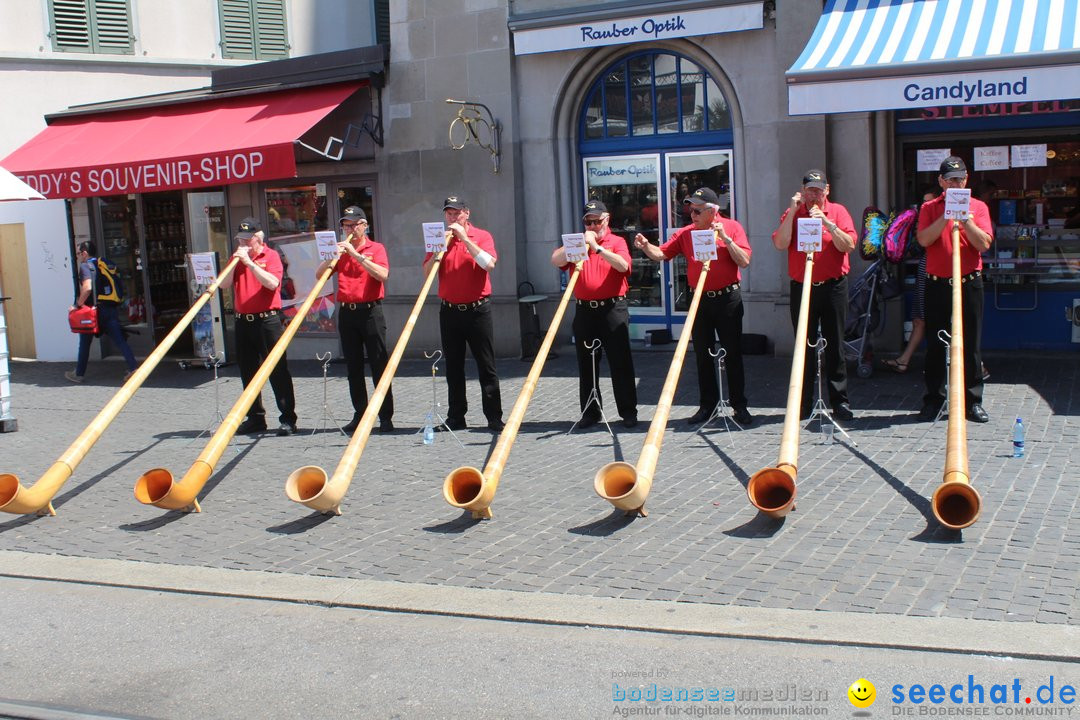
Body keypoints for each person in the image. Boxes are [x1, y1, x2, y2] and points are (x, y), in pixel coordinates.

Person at [636, 187, 754, 425]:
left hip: (727, 298)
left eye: (698, 211)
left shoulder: (732, 227)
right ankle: (707, 406)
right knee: (702, 354)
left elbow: (744, 260)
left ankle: (739, 406)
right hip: (699, 299)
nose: (693, 215)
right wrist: (646, 246)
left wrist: (726, 239)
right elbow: (662, 254)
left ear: (713, 211)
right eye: (691, 210)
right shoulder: (686, 233)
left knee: (732, 352)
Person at [771, 169, 857, 421]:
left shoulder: (839, 211)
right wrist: (792, 211)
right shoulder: (794, 212)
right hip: (802, 286)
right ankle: (803, 402)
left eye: (818, 190)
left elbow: (849, 245)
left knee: (835, 344)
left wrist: (827, 223)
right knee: (803, 345)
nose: (814, 195)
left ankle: (839, 401)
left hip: (833, 287)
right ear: (803, 190)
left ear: (826, 190)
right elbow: (780, 243)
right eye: (810, 189)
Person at [916, 156, 993, 423]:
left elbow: (984, 244)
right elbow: (924, 239)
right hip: (937, 283)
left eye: (959, 179)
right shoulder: (929, 207)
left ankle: (972, 402)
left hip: (969, 282)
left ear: (966, 179)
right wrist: (947, 215)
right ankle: (934, 400)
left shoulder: (979, 207)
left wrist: (966, 220)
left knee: (971, 343)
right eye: (950, 180)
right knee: (936, 344)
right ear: (941, 182)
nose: (955, 183)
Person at [551, 200, 638, 429]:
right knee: (586, 363)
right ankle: (590, 412)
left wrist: (598, 248)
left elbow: (623, 266)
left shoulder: (617, 241)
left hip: (612, 309)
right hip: (585, 310)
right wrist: (578, 244)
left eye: (596, 221)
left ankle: (628, 411)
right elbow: (556, 260)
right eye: (588, 222)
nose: (592, 225)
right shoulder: (578, 243)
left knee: (620, 362)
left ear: (606, 219)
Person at [423, 196, 504, 431]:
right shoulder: (439, 239)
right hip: (449, 311)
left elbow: (489, 264)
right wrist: (438, 251)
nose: (453, 217)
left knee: (486, 365)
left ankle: (493, 416)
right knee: (454, 367)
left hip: (478, 310)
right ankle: (456, 417)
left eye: (457, 213)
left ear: (466, 214)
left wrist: (465, 239)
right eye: (449, 213)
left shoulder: (482, 236)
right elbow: (427, 273)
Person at [317, 205, 393, 434]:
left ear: (364, 225)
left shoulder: (376, 248)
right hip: (347, 313)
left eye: (353, 225)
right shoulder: (341, 252)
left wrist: (356, 254)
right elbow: (320, 276)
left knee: (379, 364)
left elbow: (382, 275)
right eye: (345, 225)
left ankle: (385, 416)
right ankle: (359, 414)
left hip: (371, 312)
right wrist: (331, 256)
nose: (349, 229)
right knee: (354, 367)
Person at [231, 217, 299, 436]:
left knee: (278, 370)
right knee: (247, 371)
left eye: (247, 240)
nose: (243, 244)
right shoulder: (237, 258)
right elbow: (223, 284)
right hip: (243, 321)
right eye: (240, 240)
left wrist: (250, 264)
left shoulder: (271, 256)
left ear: (258, 238)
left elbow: (272, 283)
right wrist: (235, 263)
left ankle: (288, 418)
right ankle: (255, 418)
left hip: (267, 320)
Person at [64, 241, 137, 383]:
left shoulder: (85, 266)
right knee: (120, 341)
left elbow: (87, 287)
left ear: (85, 253)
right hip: (109, 308)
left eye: (79, 253)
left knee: (85, 342)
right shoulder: (102, 264)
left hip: (93, 312)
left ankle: (78, 374)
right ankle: (133, 368)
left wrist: (77, 305)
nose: (78, 256)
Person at [883, 186, 937, 374]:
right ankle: (904, 359)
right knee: (919, 319)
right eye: (924, 202)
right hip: (925, 268)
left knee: (937, 320)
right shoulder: (923, 218)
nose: (925, 206)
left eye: (929, 201)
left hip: (936, 270)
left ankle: (974, 366)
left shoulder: (939, 220)